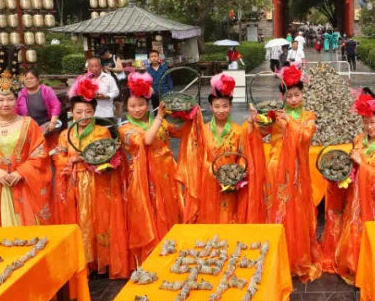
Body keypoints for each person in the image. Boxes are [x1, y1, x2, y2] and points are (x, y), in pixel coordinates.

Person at [52, 78, 129, 277]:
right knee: (79, 222)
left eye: (88, 112)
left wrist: (84, 159)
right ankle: (82, 260)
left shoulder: (101, 131)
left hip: (97, 183)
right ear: (72, 113)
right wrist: (70, 162)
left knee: (99, 221)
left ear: (94, 111)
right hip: (74, 185)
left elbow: (106, 156)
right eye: (78, 112)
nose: (83, 116)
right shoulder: (65, 135)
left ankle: (100, 262)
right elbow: (58, 158)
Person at [249, 64, 320, 282]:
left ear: (303, 94)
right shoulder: (276, 113)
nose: (293, 99)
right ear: (283, 96)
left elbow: (306, 137)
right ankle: (277, 251)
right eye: (289, 96)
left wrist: (290, 122)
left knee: (295, 208)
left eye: (297, 95)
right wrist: (256, 121)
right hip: (275, 166)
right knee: (276, 205)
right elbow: (263, 132)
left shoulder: (309, 115)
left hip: (297, 170)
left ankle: (296, 254)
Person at [321, 89, 375, 284]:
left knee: (365, 229)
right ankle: (351, 263)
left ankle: (366, 266)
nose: (369, 127)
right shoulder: (359, 140)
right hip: (355, 194)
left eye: (373, 122)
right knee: (352, 225)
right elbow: (351, 167)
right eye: (365, 122)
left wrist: (361, 163)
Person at [0, 64, 52, 227]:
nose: (5, 103)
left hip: (24, 185)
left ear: (17, 100)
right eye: (0, 99)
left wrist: (22, 172)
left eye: (10, 99)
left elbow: (40, 153)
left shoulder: (29, 124)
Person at [178, 73, 267, 226]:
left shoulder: (238, 130)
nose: (221, 110)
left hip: (230, 184)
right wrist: (212, 171)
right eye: (217, 106)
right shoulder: (203, 131)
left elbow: (243, 154)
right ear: (210, 107)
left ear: (231, 106)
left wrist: (237, 172)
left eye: (225, 106)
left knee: (229, 217)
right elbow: (196, 156)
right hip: (208, 182)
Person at [118, 72, 186, 265]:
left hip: (167, 172)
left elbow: (180, 132)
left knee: (170, 207)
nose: (137, 109)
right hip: (144, 178)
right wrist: (159, 117)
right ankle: (153, 254)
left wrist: (186, 114)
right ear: (126, 108)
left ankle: (173, 246)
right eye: (132, 106)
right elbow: (147, 140)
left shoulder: (160, 121)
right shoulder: (125, 130)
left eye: (141, 104)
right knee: (151, 211)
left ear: (148, 104)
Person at [15, 69, 62, 138]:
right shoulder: (21, 94)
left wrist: (53, 122)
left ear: (37, 79)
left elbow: (56, 105)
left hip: (46, 123)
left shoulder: (46, 90)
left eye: (31, 78)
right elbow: (16, 111)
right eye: (26, 79)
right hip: (29, 126)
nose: (28, 80)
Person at [71, 55, 119, 120]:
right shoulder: (84, 79)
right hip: (89, 114)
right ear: (88, 68)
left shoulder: (108, 78)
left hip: (106, 112)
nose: (94, 68)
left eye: (96, 66)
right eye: (92, 66)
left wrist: (106, 96)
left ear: (101, 67)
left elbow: (116, 92)